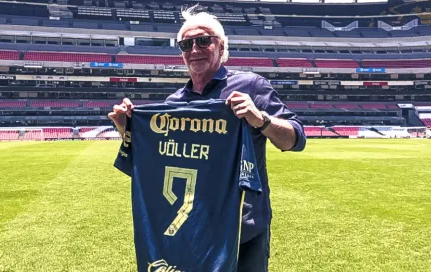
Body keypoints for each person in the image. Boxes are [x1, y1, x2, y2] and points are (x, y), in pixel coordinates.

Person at [108, 5, 306, 272]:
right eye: (186, 44)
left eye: (203, 41)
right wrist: (126, 129)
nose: (194, 50)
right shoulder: (173, 104)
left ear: (222, 46)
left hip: (242, 227)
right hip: (192, 228)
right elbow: (153, 169)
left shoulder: (252, 86)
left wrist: (261, 120)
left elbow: (295, 139)